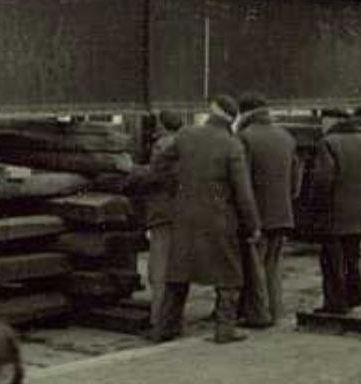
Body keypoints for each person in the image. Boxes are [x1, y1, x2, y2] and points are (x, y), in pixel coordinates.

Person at [154, 94, 261, 343]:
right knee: (229, 276)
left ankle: (165, 329)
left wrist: (178, 190)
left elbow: (159, 167)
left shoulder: (186, 135)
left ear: (212, 113)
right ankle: (224, 330)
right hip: (219, 217)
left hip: (185, 215)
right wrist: (253, 225)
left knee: (178, 274)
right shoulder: (232, 144)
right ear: (232, 118)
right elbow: (243, 192)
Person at [236, 92, 303, 326]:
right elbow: (296, 181)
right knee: (273, 266)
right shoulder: (285, 136)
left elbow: (241, 181)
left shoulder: (245, 137)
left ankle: (258, 315)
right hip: (282, 212)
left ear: (244, 112)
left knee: (255, 268)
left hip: (257, 214)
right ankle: (276, 311)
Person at [309, 108, 361, 314]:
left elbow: (323, 179)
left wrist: (316, 206)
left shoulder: (328, 143)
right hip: (359, 212)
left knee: (332, 260)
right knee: (352, 256)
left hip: (333, 212)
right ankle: (354, 297)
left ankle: (335, 303)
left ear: (331, 121)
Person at [122, 110, 183, 330]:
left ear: (162, 125)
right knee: (173, 271)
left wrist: (129, 171)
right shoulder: (187, 143)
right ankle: (171, 321)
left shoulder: (164, 145)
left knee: (159, 272)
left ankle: (159, 323)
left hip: (163, 214)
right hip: (180, 214)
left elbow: (154, 174)